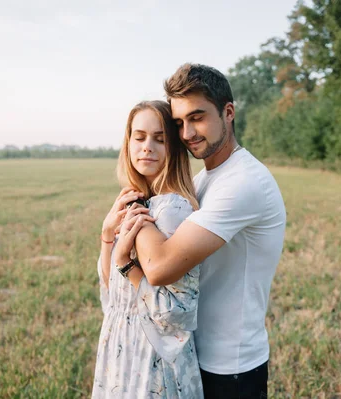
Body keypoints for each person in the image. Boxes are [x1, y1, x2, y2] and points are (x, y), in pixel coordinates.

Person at [115, 64, 286, 399]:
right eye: (178, 123)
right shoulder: (204, 180)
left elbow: (160, 266)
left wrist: (141, 194)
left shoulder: (244, 182)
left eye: (197, 117)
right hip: (193, 355)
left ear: (228, 112)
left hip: (230, 368)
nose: (187, 132)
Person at [92, 100, 204, 398]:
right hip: (121, 344)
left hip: (151, 354)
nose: (147, 147)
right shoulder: (136, 201)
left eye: (160, 139)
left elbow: (175, 312)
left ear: (175, 148)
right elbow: (111, 290)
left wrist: (127, 265)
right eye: (139, 137)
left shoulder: (170, 209)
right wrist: (106, 236)